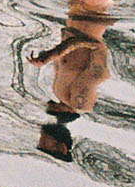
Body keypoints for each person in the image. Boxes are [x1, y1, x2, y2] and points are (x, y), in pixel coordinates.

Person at [28, 12, 112, 162]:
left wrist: (48, 55)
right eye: (44, 145)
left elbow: (67, 59)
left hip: (76, 18)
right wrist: (54, 53)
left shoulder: (59, 93)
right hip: (91, 18)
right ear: (61, 148)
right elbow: (98, 47)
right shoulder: (80, 102)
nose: (40, 140)